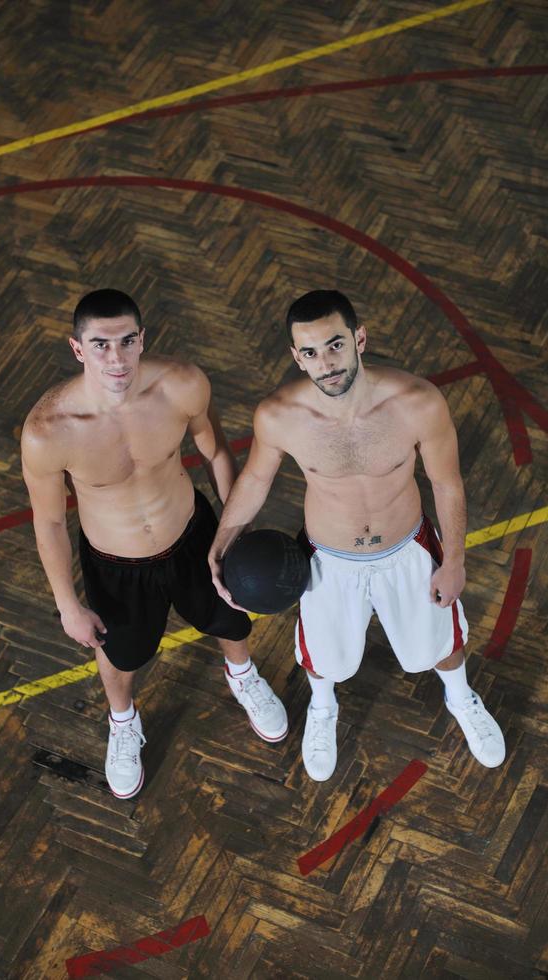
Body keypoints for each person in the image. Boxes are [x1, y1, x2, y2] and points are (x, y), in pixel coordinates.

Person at [208, 289, 505, 781]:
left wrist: (454, 562)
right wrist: (221, 543)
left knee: (439, 638)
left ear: (359, 338)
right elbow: (256, 480)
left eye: (334, 345)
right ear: (296, 358)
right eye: (310, 352)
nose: (325, 363)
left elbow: (446, 482)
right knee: (324, 655)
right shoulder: (279, 416)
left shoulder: (417, 402)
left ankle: (461, 698)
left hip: (407, 547)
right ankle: (322, 710)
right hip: (328, 558)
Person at [21, 289, 287, 799]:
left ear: (143, 340)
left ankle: (243, 674)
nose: (115, 358)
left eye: (126, 341)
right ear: (78, 349)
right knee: (121, 655)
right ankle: (123, 721)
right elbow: (50, 523)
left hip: (193, 537)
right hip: (116, 566)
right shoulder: (47, 431)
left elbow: (215, 451)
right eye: (100, 345)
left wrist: (234, 532)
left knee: (229, 618)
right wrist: (67, 605)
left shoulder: (181, 385)